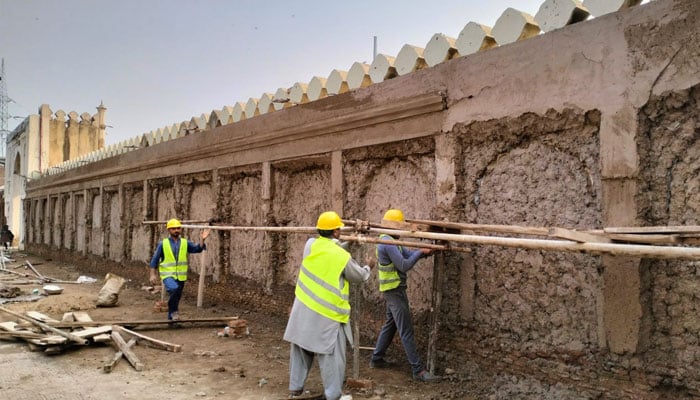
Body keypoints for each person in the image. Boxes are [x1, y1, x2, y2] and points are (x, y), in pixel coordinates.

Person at [283, 211, 374, 400]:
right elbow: (358, 276)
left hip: (303, 309)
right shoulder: (341, 256)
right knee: (332, 356)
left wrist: (350, 242)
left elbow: (332, 249)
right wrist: (369, 267)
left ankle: (295, 388)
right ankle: (334, 395)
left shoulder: (310, 245)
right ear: (335, 232)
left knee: (300, 348)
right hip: (327, 315)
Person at [369, 209, 438, 382]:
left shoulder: (391, 241)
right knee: (406, 330)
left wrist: (425, 252)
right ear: (395, 227)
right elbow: (404, 264)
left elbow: (407, 254)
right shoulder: (388, 243)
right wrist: (420, 253)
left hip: (393, 290)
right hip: (394, 291)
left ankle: (376, 359)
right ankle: (418, 370)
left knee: (391, 325)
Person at [149, 218, 210, 321]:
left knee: (177, 295)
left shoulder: (185, 243)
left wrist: (202, 240)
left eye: (178, 228)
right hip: (167, 274)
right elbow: (155, 259)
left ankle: (171, 319)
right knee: (174, 289)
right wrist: (152, 274)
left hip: (181, 276)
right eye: (173, 228)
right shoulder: (163, 244)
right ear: (169, 230)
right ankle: (173, 312)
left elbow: (197, 249)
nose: (176, 230)